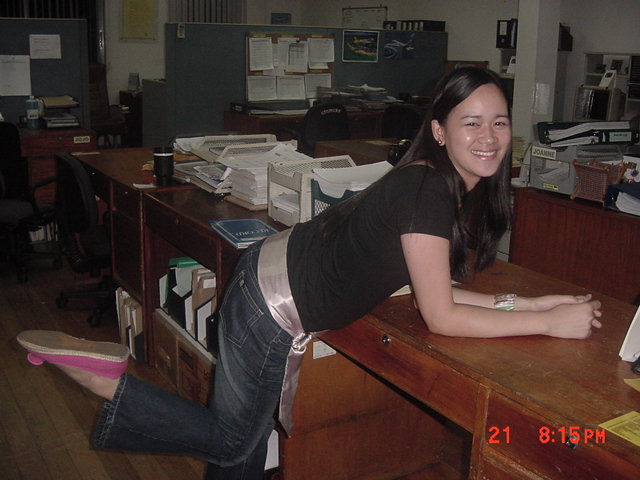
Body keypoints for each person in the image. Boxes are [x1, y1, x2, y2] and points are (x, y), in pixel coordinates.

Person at [16, 67, 602, 480]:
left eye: (499, 122)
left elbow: (437, 289)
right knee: (233, 440)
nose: (489, 137)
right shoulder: (429, 192)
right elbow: (441, 316)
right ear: (440, 130)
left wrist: (535, 305)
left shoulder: (429, 178)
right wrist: (549, 326)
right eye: (471, 122)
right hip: (271, 306)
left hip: (268, 274)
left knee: (240, 449)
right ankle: (107, 380)